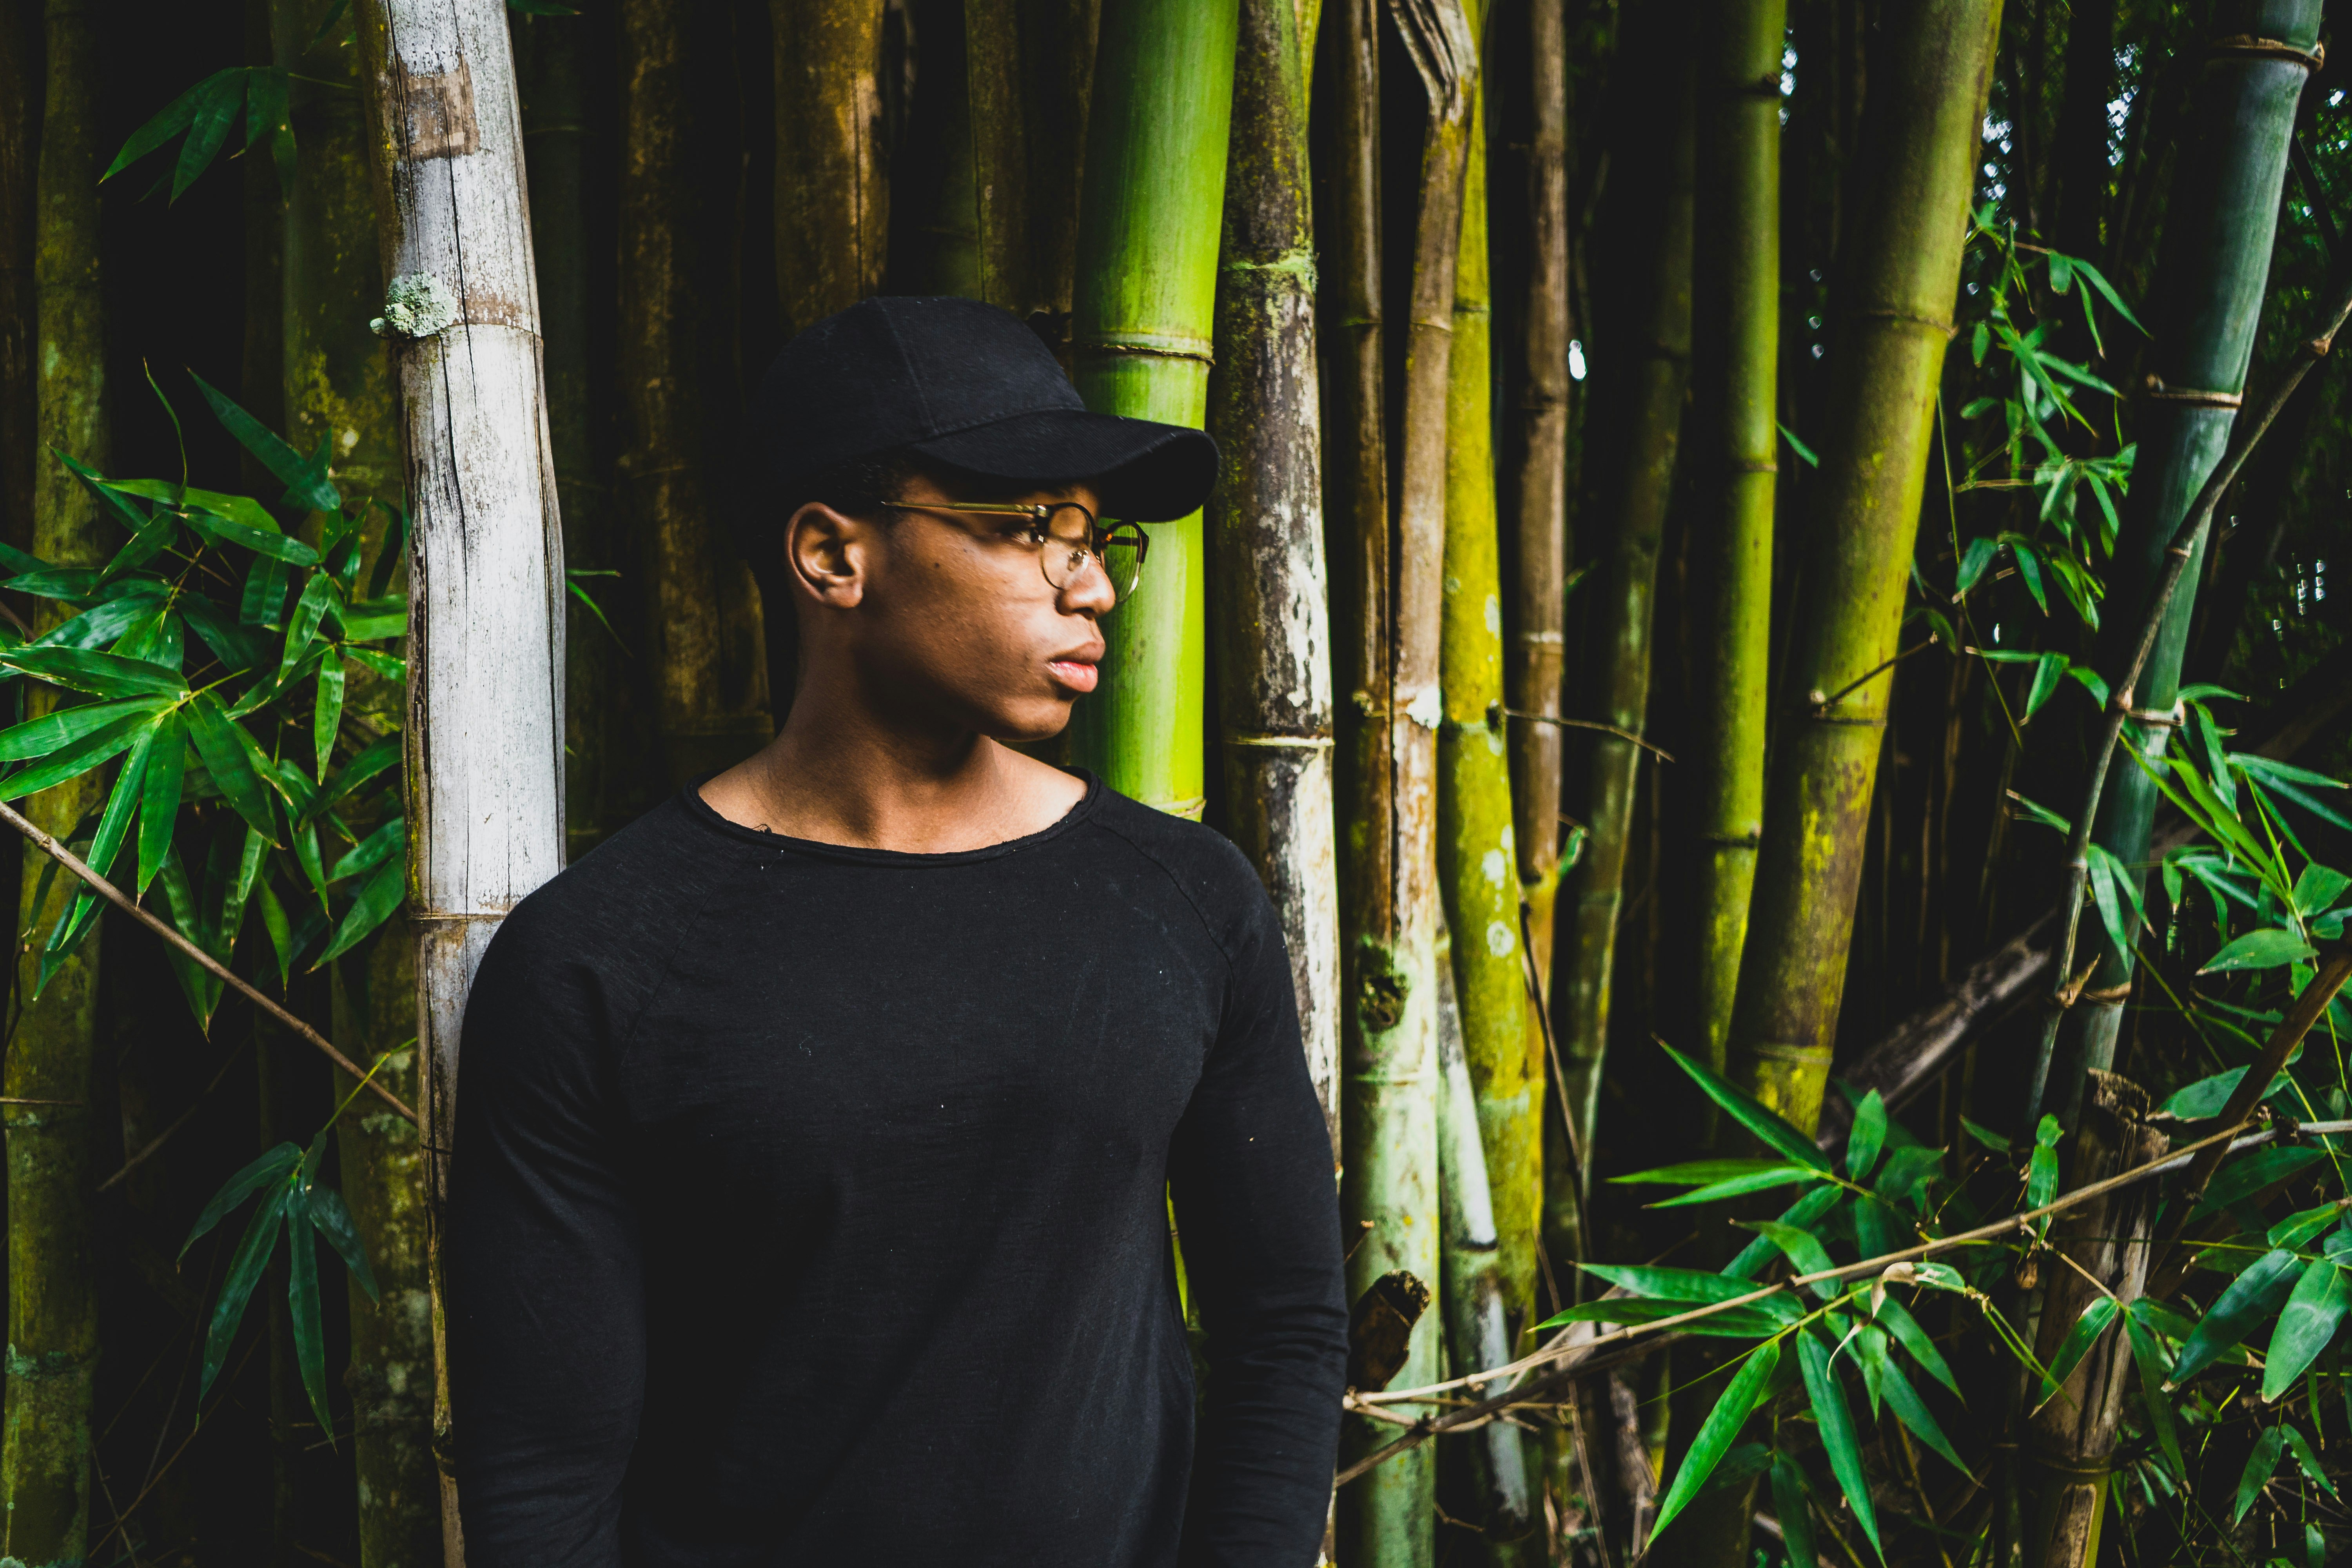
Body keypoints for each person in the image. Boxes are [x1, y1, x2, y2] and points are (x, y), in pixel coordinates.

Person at [445, 296, 1348, 1566]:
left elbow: (1286, 1323)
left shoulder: (1187, 903)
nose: (1093, 586)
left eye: (1099, 540)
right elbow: (545, 1464)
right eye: (1030, 528)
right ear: (833, 556)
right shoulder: (598, 958)